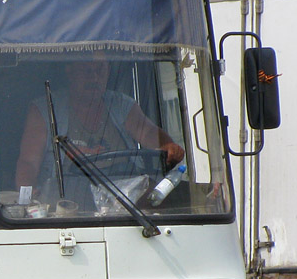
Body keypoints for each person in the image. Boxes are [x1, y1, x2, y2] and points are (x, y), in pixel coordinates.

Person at [15, 54, 185, 197]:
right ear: (70, 71)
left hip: (127, 200)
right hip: (68, 200)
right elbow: (29, 162)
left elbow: (147, 131)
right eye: (87, 71)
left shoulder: (122, 105)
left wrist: (167, 145)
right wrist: (27, 196)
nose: (94, 78)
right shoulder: (45, 109)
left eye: (100, 70)